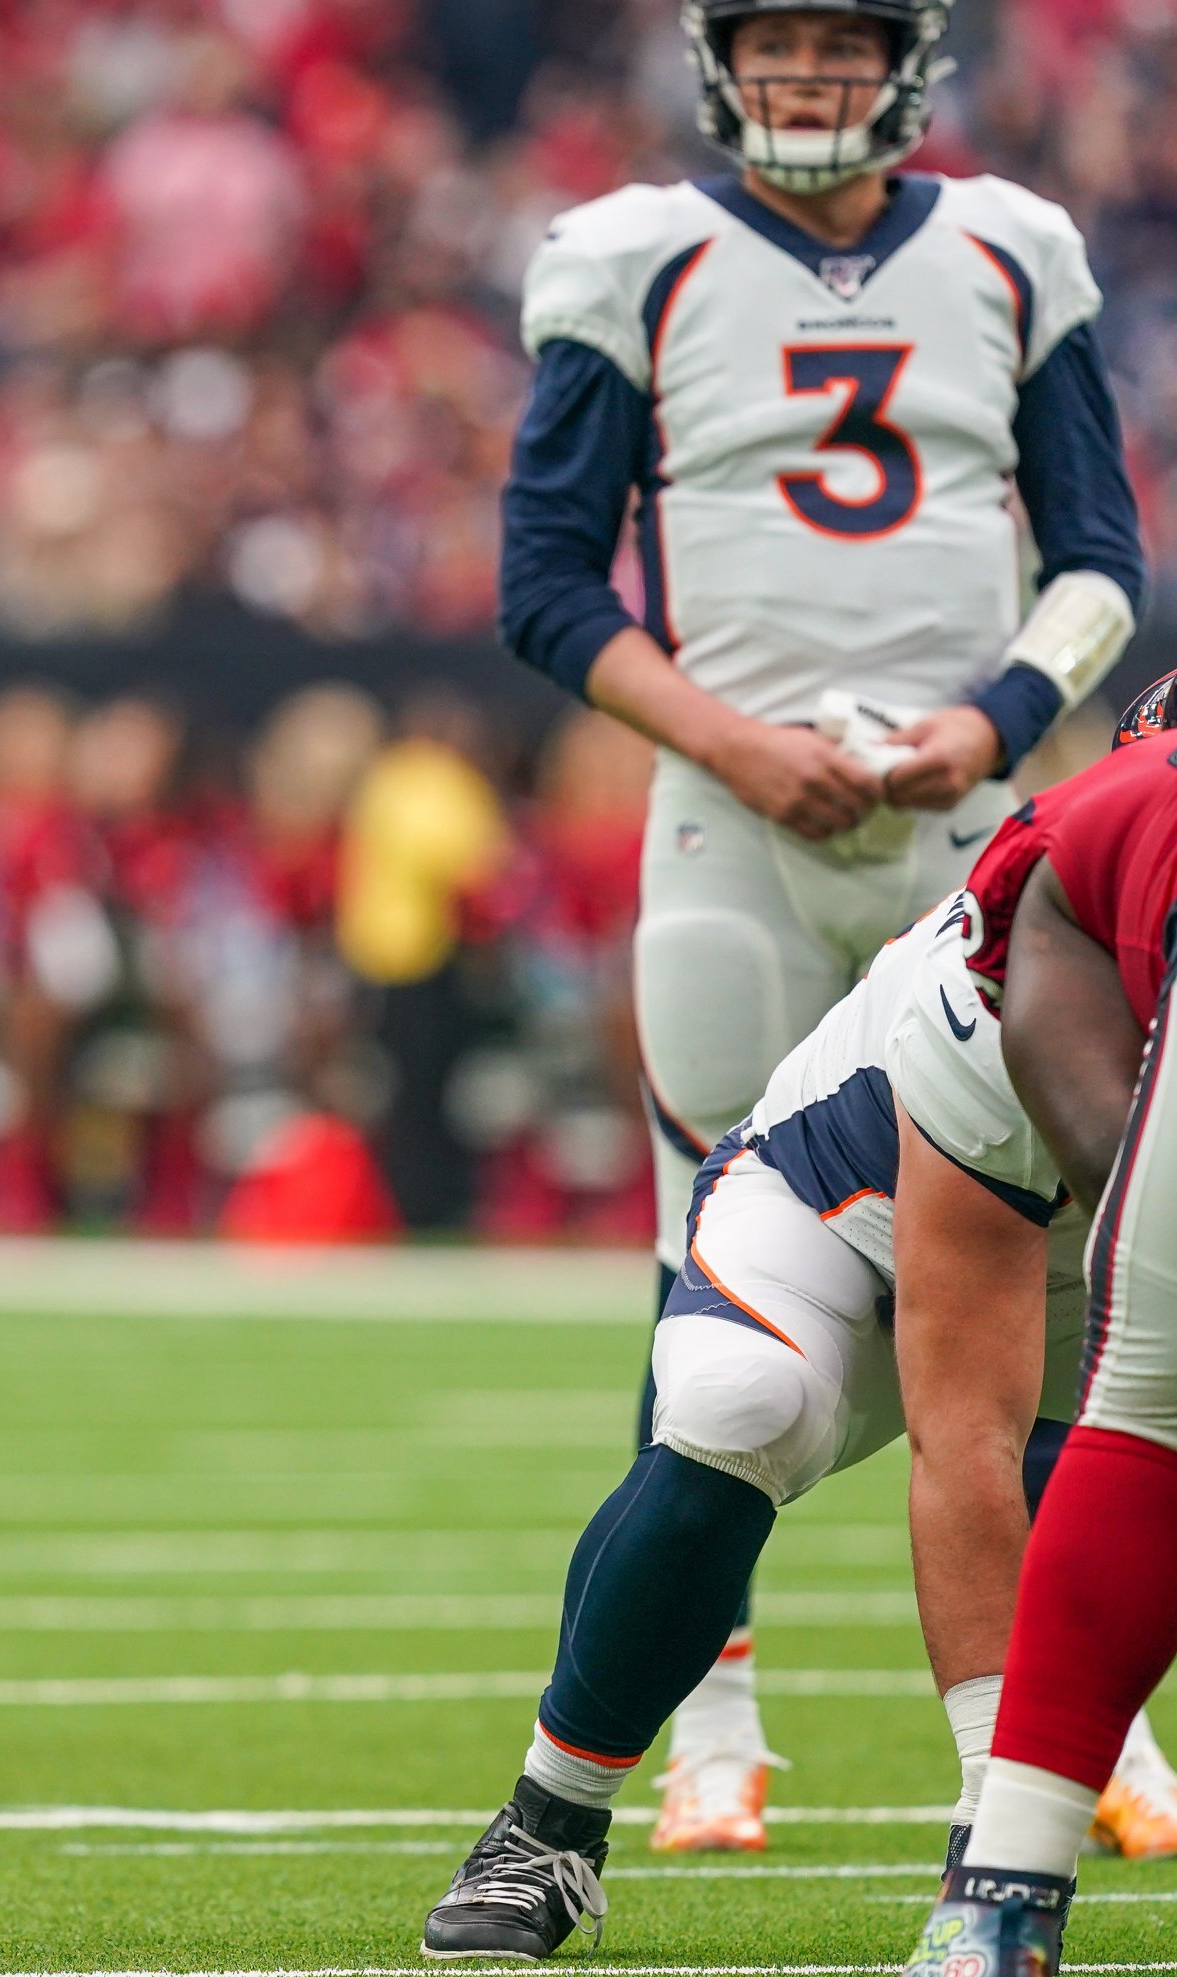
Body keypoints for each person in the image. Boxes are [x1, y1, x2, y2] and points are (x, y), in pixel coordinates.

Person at [494, 0, 1144, 1851]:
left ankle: (1085, 1724)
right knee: (704, 1260)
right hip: (735, 818)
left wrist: (990, 724)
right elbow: (542, 582)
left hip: (977, 824)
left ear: (908, 63)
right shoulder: (637, 255)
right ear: (716, 58)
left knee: (1079, 1258)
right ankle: (711, 1720)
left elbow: (1104, 554)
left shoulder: (1014, 249)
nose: (801, 77)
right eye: (769, 41)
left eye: (835, 44)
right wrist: (731, 739)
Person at [420, 704, 1177, 1964]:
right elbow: (965, 1436)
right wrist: (999, 1827)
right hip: (853, 1213)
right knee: (740, 1405)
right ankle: (546, 1820)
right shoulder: (1005, 979)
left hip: (1074, 1231)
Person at [863, 709, 1177, 1977]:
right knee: (1145, 1394)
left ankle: (992, 1921)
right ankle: (994, 1910)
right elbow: (1041, 927)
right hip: (1066, 940)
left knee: (1143, 1401)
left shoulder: (1111, 811)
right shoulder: (1098, 825)